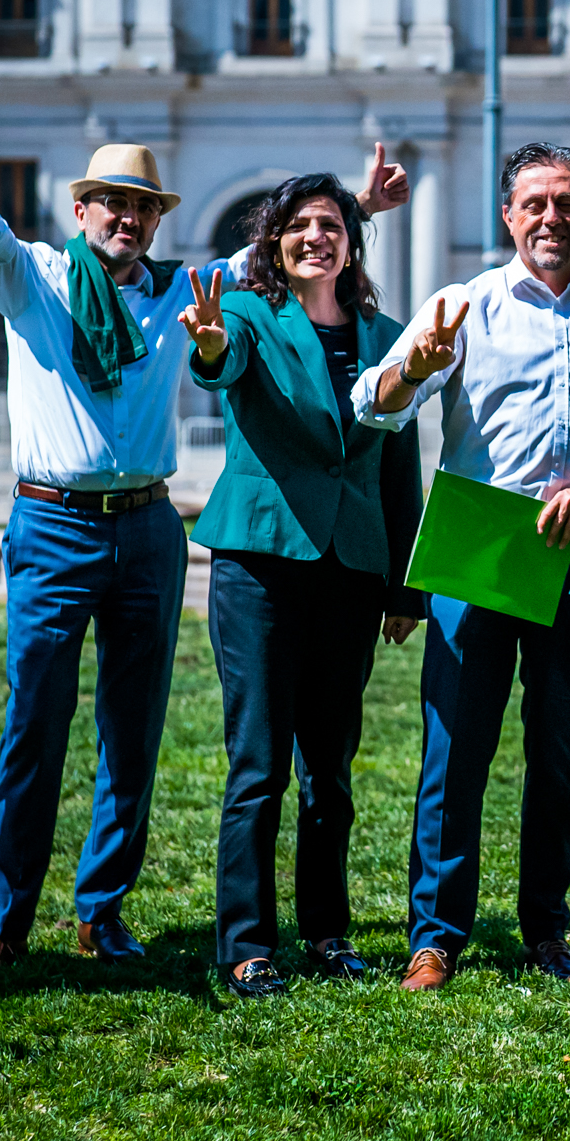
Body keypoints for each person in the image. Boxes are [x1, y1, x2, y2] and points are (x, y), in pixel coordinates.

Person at [0, 66, 408, 969]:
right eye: (111, 205)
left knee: (133, 733)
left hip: (149, 529)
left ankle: (102, 909)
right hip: (52, 524)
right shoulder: (34, 276)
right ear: (83, 209)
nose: (127, 220)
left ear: (158, 220)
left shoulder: (185, 289)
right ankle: (2, 927)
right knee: (33, 728)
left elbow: (288, 253)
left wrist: (358, 205)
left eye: (142, 208)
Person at [354, 143, 570, 991]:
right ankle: (435, 936)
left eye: (566, 201)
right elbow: (374, 405)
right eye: (534, 202)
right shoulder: (463, 304)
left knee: (560, 751)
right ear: (508, 216)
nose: (551, 217)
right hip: (479, 549)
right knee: (454, 750)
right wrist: (412, 370)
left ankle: (546, 928)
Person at [187, 174, 425, 997]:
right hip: (260, 562)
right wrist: (210, 345)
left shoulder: (389, 335)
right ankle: (247, 943)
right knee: (258, 766)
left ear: (353, 242)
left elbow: (400, 463)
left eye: (331, 224)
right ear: (274, 243)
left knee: (332, 766)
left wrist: (406, 587)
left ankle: (327, 931)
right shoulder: (249, 314)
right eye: (298, 226)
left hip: (353, 570)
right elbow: (220, 365)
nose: (315, 237)